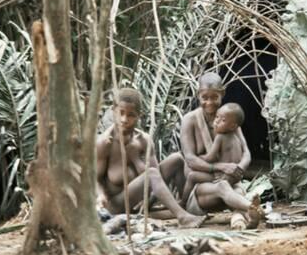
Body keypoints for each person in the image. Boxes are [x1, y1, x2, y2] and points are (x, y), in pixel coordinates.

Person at [96, 88, 206, 229]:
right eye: (120, 113)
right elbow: (96, 179)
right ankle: (183, 217)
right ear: (113, 110)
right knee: (151, 174)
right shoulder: (105, 143)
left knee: (177, 159)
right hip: (116, 204)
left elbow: (156, 178)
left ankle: (185, 206)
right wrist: (100, 196)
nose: (124, 120)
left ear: (139, 116)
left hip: (140, 199)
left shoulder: (143, 140)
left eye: (131, 115)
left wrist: (148, 200)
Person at [180, 73, 262, 228]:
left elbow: (246, 152)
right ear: (198, 95)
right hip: (202, 190)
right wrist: (220, 167)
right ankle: (253, 208)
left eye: (214, 97)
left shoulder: (228, 118)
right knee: (223, 186)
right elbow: (190, 159)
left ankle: (242, 219)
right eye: (205, 97)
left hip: (229, 181)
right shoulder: (190, 120)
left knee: (236, 189)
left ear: (222, 94)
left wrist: (239, 169)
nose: (209, 102)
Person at [181, 102, 246, 201]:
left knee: (191, 176)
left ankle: (183, 202)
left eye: (222, 120)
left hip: (221, 175)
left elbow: (210, 157)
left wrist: (200, 158)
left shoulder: (220, 137)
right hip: (235, 176)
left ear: (233, 126)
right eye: (216, 118)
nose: (216, 122)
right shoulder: (235, 136)